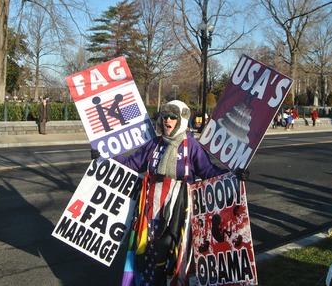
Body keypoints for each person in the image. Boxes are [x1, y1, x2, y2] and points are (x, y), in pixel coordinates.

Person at [91, 100, 249, 285]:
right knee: (149, 253)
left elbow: (208, 172)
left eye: (172, 117)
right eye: (164, 116)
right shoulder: (154, 144)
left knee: (174, 257)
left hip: (178, 213)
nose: (167, 120)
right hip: (151, 210)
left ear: (181, 120)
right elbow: (132, 163)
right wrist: (105, 155)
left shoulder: (191, 145)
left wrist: (233, 174)